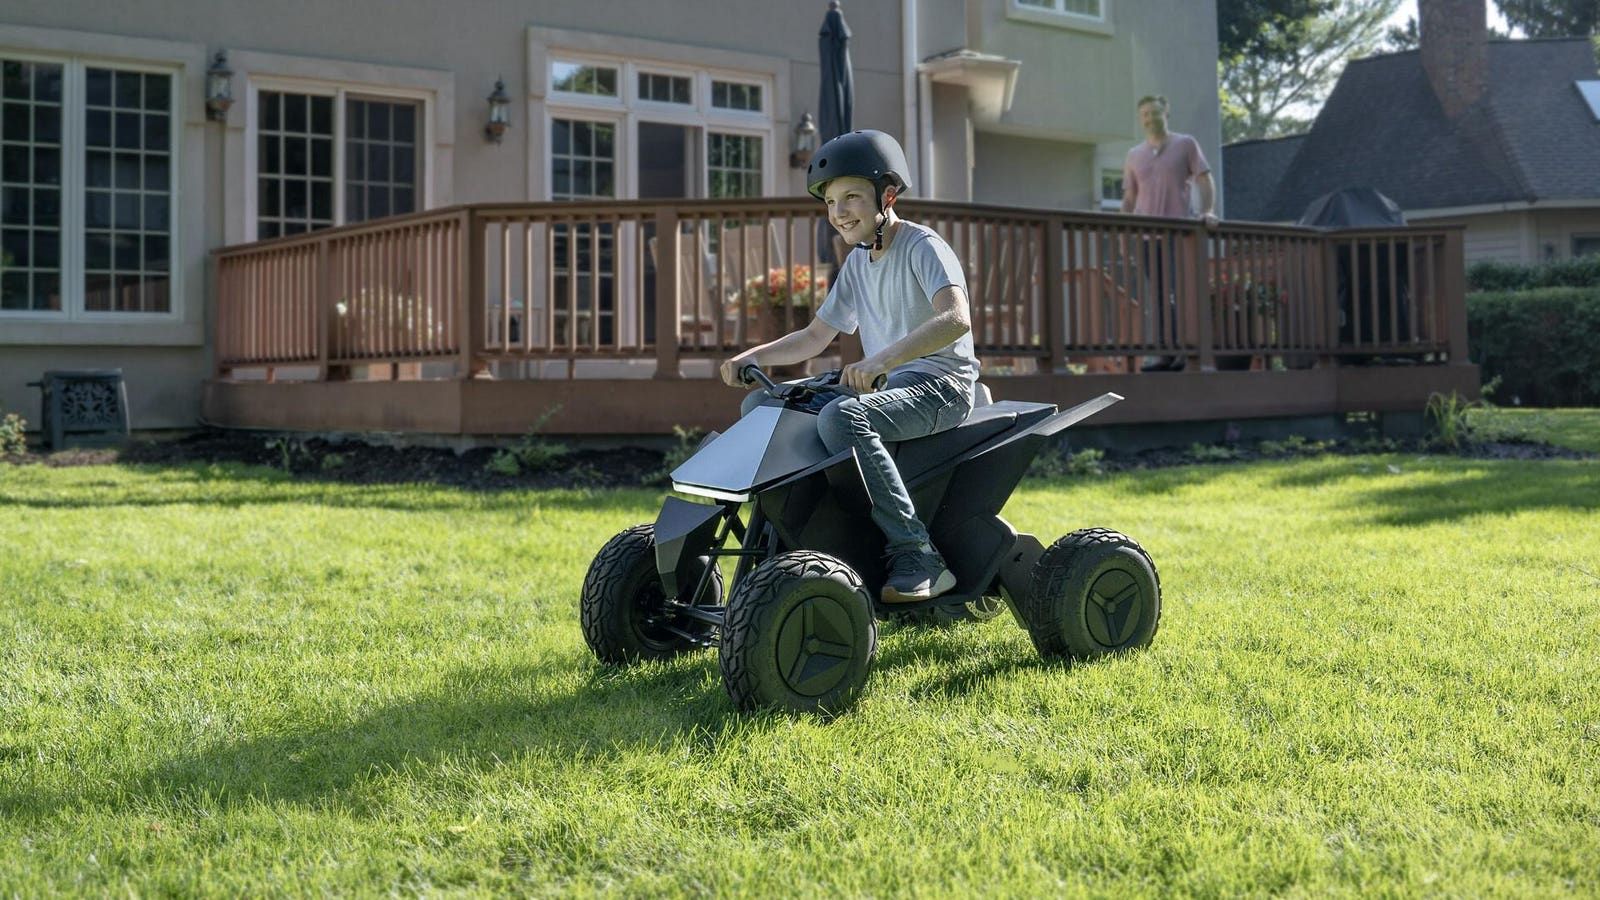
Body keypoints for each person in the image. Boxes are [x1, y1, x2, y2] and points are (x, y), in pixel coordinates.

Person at [718, 130, 978, 604]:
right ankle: (781, 545)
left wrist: (882, 358)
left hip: (942, 385)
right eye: (831, 202)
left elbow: (956, 318)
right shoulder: (859, 263)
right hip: (887, 382)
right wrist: (755, 357)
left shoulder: (923, 246)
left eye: (852, 197)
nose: (839, 213)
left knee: (842, 416)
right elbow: (816, 336)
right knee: (763, 403)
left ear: (888, 196)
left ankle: (919, 554)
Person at [1120, 94, 1219, 371]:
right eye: (1146, 115)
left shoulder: (1185, 144)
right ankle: (1165, 354)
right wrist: (1121, 233)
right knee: (1159, 296)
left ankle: (1184, 353)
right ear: (1142, 120)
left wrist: (1207, 211)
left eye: (1155, 113)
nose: (1151, 119)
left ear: (1166, 114)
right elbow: (1129, 199)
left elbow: (1204, 178)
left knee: (1179, 293)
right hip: (1146, 238)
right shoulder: (1134, 155)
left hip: (1179, 234)